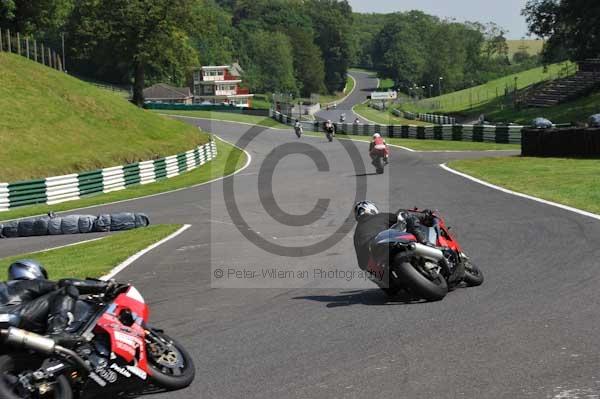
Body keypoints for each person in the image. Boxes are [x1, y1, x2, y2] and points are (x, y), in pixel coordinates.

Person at [0, 259, 115, 344]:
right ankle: (57, 331)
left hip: (7, 322)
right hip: (17, 315)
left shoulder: (3, 286)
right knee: (66, 289)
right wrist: (104, 286)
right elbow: (67, 283)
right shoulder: (28, 283)